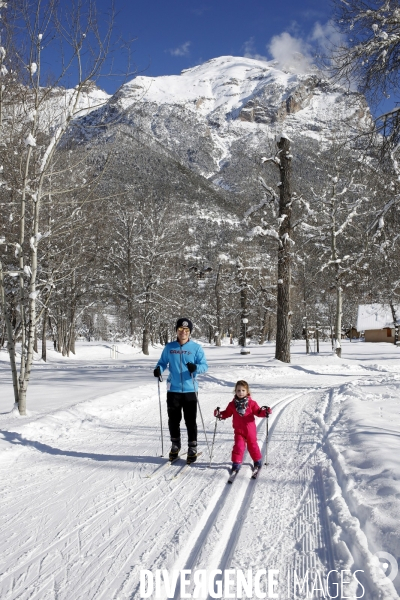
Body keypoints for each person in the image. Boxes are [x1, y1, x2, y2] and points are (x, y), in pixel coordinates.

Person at [154, 317, 208, 463]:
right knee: (173, 420)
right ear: (176, 331)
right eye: (180, 329)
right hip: (174, 390)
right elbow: (162, 363)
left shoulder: (196, 348)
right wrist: (158, 370)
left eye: (186, 330)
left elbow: (204, 366)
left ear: (189, 332)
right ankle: (175, 445)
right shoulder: (169, 347)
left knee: (190, 421)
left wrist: (195, 368)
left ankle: (192, 446)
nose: (183, 332)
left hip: (190, 390)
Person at [214, 380, 272, 473]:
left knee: (253, 446)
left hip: (250, 431)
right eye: (238, 390)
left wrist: (265, 412)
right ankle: (236, 463)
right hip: (238, 431)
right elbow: (227, 413)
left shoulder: (251, 403)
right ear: (235, 391)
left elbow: (258, 412)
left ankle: (257, 461)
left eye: (243, 390)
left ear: (247, 392)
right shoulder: (232, 404)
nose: (241, 392)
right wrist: (219, 414)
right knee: (238, 446)